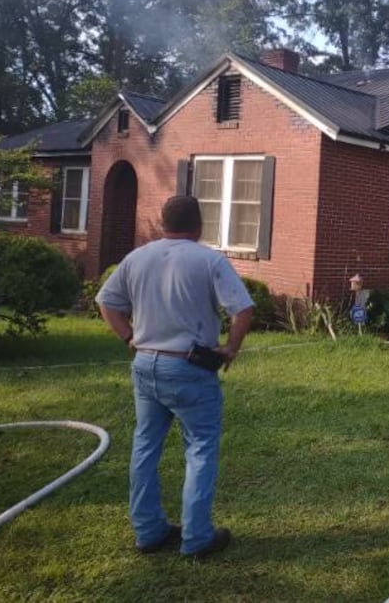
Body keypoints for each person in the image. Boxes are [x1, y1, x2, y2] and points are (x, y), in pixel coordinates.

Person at [96, 195, 254, 559]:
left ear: (163, 223)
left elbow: (107, 302)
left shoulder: (137, 257)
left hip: (146, 363)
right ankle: (197, 538)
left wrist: (129, 337)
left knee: (145, 446)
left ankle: (148, 532)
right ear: (199, 225)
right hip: (189, 367)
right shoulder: (209, 259)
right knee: (200, 448)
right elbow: (242, 309)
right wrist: (230, 348)